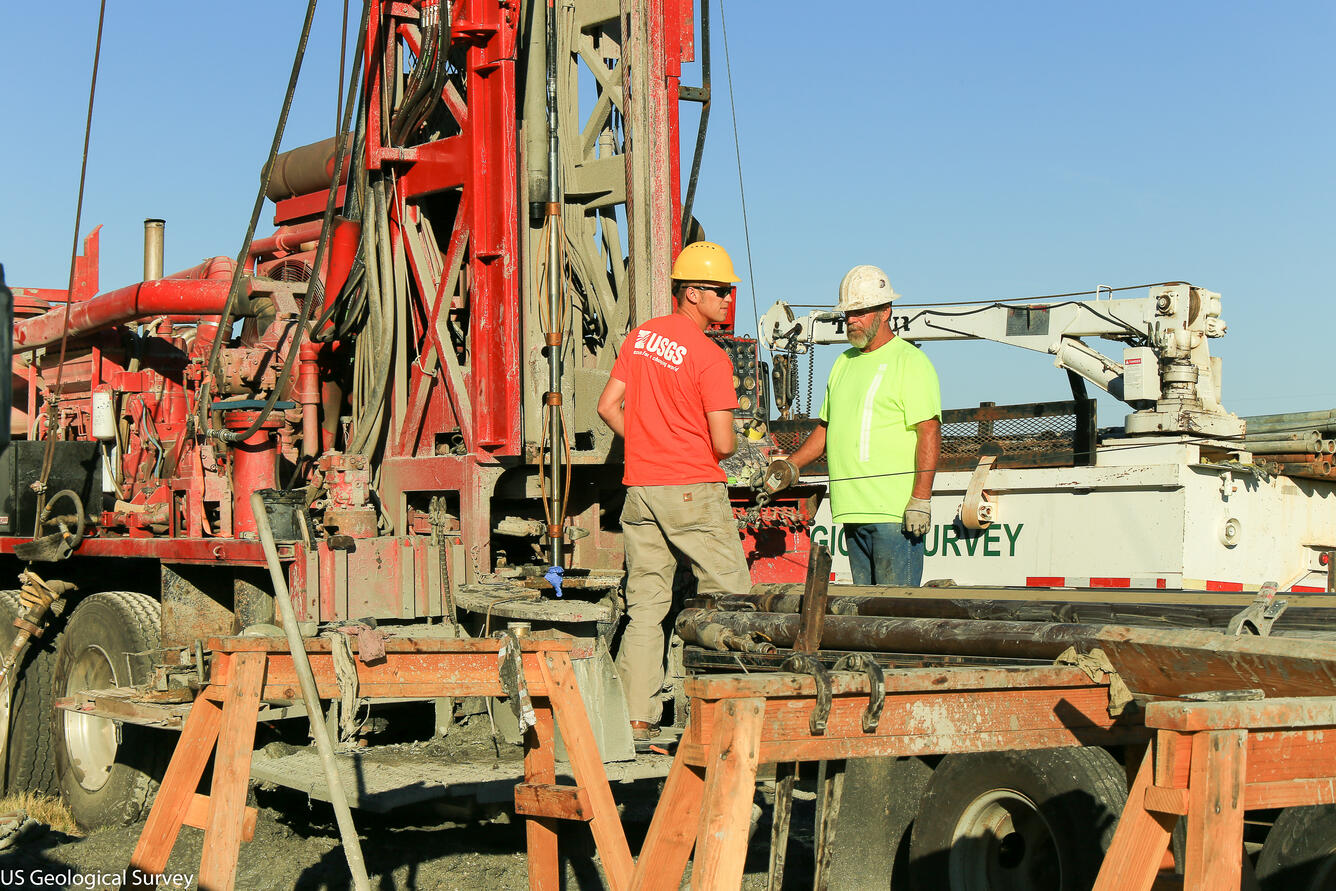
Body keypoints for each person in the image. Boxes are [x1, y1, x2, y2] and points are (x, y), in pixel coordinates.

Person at [597, 241, 751, 743]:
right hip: (691, 488)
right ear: (693, 293)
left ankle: (635, 720)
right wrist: (703, 446)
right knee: (732, 598)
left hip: (641, 489)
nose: (728, 300)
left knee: (646, 606)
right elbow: (724, 442)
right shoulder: (709, 357)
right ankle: (732, 716)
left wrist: (646, 443)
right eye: (722, 291)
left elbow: (607, 406)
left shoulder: (640, 339)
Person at [763, 264, 941, 586]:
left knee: (894, 618)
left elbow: (928, 430)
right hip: (851, 512)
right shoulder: (843, 363)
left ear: (886, 311)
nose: (851, 321)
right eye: (848, 314)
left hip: (894, 515)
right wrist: (790, 466)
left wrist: (921, 499)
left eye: (860, 312)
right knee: (865, 618)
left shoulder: (909, 362)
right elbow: (827, 429)